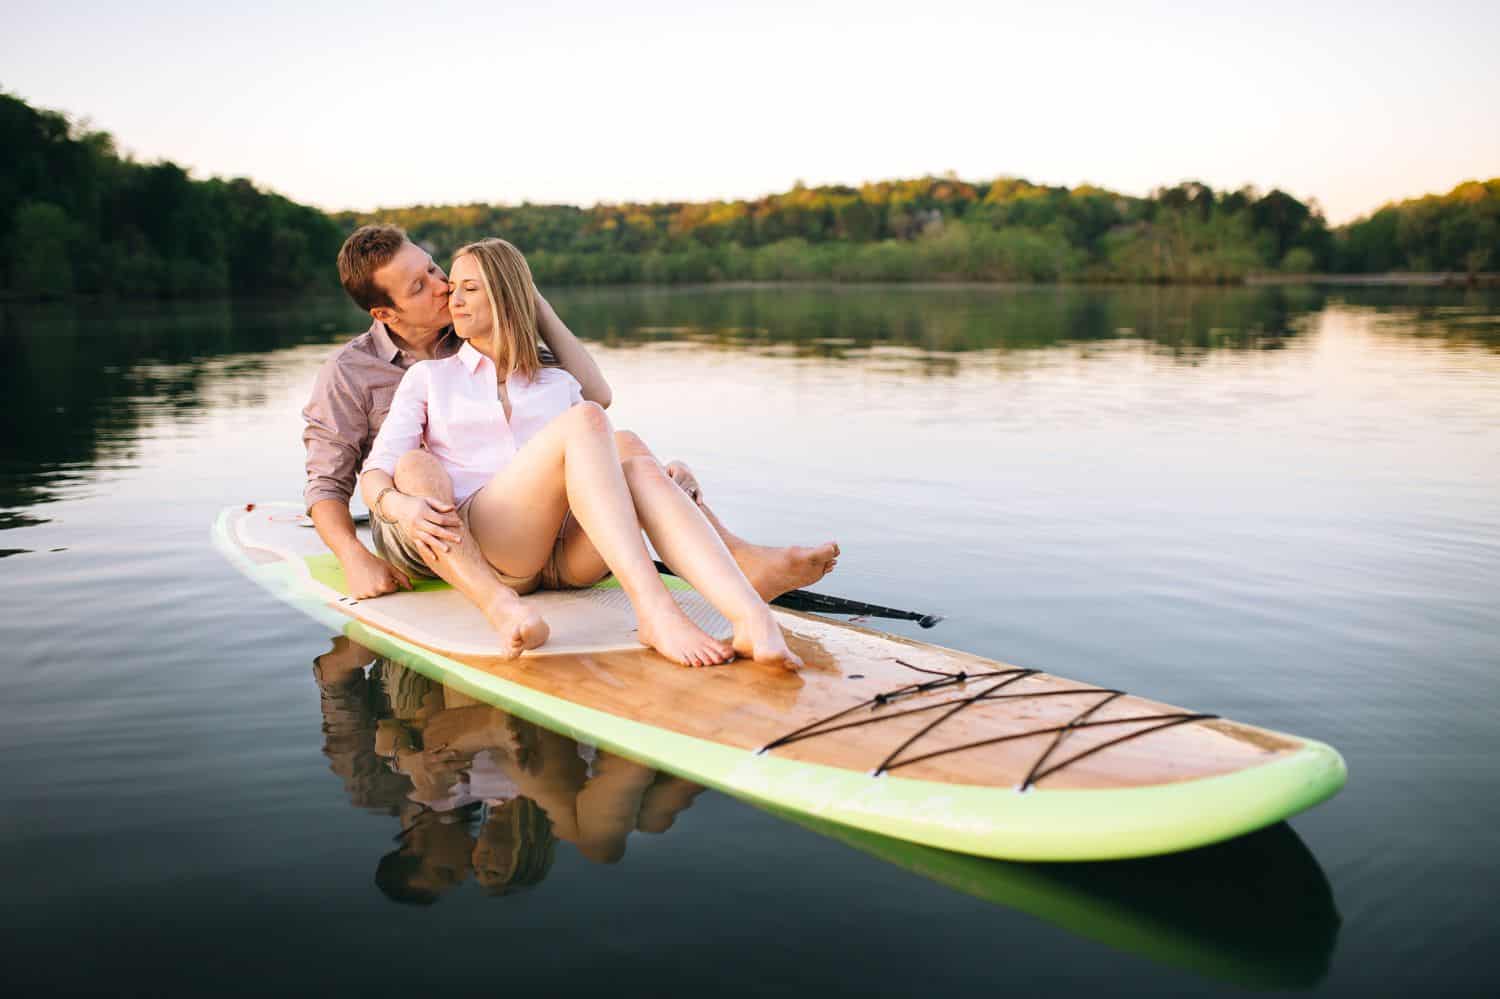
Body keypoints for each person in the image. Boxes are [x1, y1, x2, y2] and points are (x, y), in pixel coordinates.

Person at [302, 224, 837, 611]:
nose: (444, 287)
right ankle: (501, 599)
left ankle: (739, 560)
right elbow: (327, 482)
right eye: (421, 287)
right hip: (424, 522)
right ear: (385, 313)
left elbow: (592, 397)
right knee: (417, 465)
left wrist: (522, 295)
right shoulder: (353, 373)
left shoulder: (482, 330)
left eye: (435, 269)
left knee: (628, 447)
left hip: (526, 521)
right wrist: (352, 553)